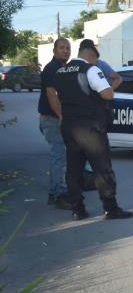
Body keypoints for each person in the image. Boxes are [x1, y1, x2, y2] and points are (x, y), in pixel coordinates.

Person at [47, 44, 133, 220]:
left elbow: (56, 97)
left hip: (69, 127)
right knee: (102, 169)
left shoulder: (61, 72)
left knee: (73, 170)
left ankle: (77, 209)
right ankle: (110, 208)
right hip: (90, 128)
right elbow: (107, 94)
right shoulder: (91, 69)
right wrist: (108, 88)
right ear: (92, 57)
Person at [77, 39, 122, 191]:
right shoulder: (81, 67)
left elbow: (117, 79)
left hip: (93, 114)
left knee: (92, 151)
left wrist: (107, 89)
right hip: (86, 117)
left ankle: (91, 182)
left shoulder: (99, 65)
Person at [38, 38, 71, 210]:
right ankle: (59, 194)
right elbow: (52, 95)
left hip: (54, 118)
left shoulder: (62, 68)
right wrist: (61, 116)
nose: (65, 51)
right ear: (54, 50)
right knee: (59, 157)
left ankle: (54, 193)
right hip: (52, 119)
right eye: (62, 48)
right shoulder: (52, 69)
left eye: (67, 48)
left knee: (60, 157)